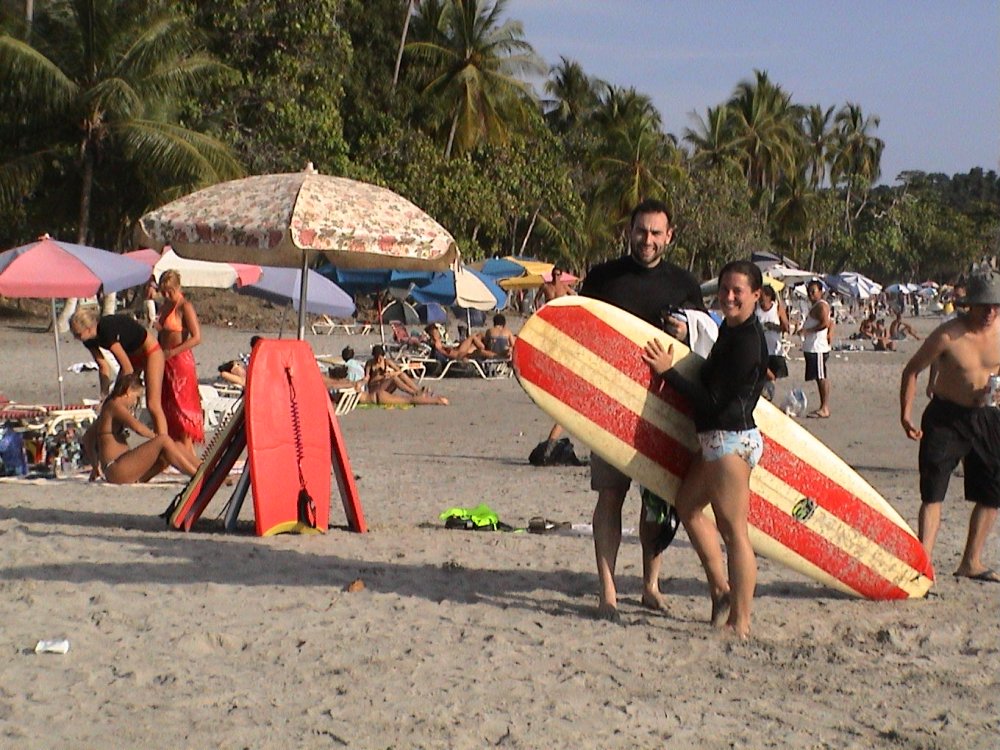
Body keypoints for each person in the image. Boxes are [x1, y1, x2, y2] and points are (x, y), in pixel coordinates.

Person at [578, 198, 705, 620]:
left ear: (669, 236)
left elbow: (703, 347)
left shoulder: (685, 284)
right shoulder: (602, 278)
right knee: (610, 496)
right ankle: (608, 591)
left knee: (657, 503)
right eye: (640, 231)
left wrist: (686, 330)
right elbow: (580, 332)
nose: (647, 240)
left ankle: (650, 584)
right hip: (610, 405)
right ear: (628, 231)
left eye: (656, 233)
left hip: (664, 406)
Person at [643, 260, 768, 638]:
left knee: (735, 534)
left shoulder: (746, 341)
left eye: (738, 292)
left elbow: (712, 401)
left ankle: (740, 622)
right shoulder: (731, 330)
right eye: (724, 289)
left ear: (756, 296)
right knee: (687, 506)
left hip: (730, 443)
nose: (728, 297)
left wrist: (668, 372)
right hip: (717, 441)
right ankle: (721, 589)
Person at [899, 273, 1000, 582]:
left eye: (996, 307)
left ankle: (971, 561)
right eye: (983, 307)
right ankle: (922, 566)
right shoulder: (947, 336)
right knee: (933, 493)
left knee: (992, 492)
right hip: (945, 417)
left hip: (987, 417)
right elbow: (911, 370)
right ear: (968, 305)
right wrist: (906, 415)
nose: (990, 314)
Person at [71, 308, 168, 479]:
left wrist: (116, 396)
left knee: (153, 404)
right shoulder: (89, 340)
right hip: (132, 357)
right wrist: (104, 394)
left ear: (88, 329)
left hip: (150, 352)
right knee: (111, 404)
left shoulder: (106, 330)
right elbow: (103, 366)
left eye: (78, 334)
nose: (77, 339)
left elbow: (127, 368)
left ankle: (163, 447)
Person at [93, 373, 201, 484]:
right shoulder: (115, 405)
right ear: (128, 392)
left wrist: (94, 467)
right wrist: (156, 438)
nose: (135, 402)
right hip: (115, 469)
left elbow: (88, 438)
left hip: (123, 469)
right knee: (164, 441)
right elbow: (138, 428)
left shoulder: (110, 407)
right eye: (136, 397)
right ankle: (197, 475)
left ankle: (203, 468)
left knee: (175, 446)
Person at [155, 270, 204, 461]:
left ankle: (189, 453)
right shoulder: (165, 305)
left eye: (170, 291)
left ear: (178, 288)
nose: (166, 295)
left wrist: (173, 352)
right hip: (164, 359)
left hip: (180, 360)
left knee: (181, 405)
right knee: (167, 405)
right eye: (164, 292)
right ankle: (180, 452)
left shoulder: (185, 306)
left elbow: (197, 337)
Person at [800, 280, 832, 418]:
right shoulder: (816, 306)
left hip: (817, 347)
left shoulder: (821, 306)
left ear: (821, 292)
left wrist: (808, 331)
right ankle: (823, 406)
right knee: (818, 377)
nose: (810, 294)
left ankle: (824, 407)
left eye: (813, 291)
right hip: (812, 347)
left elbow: (825, 323)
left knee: (821, 376)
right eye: (809, 292)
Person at [755, 284, 789, 400]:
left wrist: (773, 326)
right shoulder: (755, 308)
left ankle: (768, 398)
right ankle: (765, 397)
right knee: (764, 374)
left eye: (762, 296)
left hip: (774, 348)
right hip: (760, 349)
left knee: (770, 377)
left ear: (769, 296)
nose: (760, 298)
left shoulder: (777, 308)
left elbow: (786, 328)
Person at [425, 324, 498, 361]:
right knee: (479, 346)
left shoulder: (438, 342)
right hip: (460, 355)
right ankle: (497, 355)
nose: (438, 332)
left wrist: (449, 347)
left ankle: (494, 352)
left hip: (461, 353)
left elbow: (446, 350)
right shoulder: (437, 344)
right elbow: (448, 353)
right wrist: (445, 349)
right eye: (436, 332)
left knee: (479, 336)